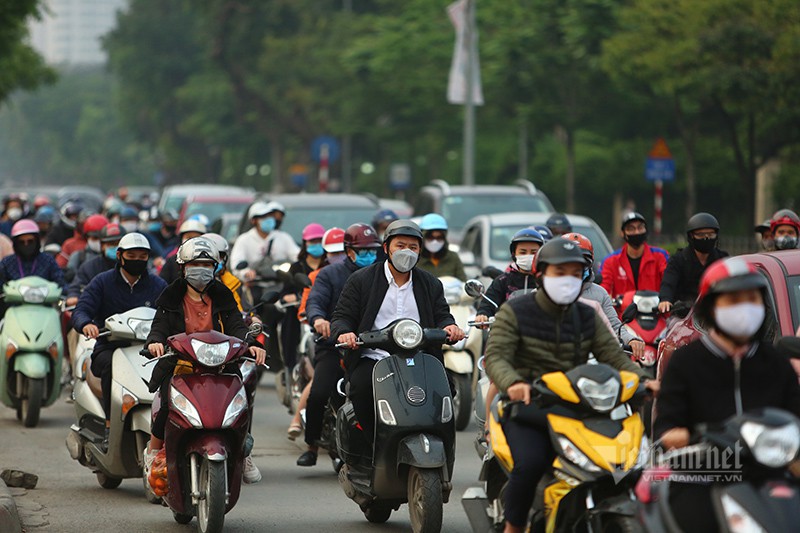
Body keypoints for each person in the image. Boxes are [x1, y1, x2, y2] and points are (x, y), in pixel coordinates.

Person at [483, 237, 656, 533]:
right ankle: (514, 526)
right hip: (529, 407)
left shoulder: (586, 315)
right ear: (540, 274)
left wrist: (645, 381)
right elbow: (496, 357)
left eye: (575, 273)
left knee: (624, 464)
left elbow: (614, 357)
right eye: (560, 272)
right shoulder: (516, 311)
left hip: (577, 407)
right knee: (530, 464)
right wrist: (513, 383)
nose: (568, 279)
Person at [655, 257, 800, 532]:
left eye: (751, 299)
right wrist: (698, 435)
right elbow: (666, 432)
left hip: (769, 477)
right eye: (733, 300)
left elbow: (795, 421)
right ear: (711, 307)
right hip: (703, 477)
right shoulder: (686, 362)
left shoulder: (776, 363)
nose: (744, 308)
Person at [143, 237, 266, 484]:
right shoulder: (171, 296)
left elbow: (236, 325)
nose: (202, 269)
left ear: (216, 267)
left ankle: (243, 451)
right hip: (181, 365)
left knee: (239, 403)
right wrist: (155, 342)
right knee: (166, 403)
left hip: (221, 365)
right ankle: (154, 452)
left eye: (207, 265)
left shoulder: (223, 295)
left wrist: (252, 344)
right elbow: (159, 327)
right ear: (183, 267)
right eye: (195, 264)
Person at [332, 220, 465, 441]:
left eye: (413, 247)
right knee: (362, 390)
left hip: (420, 358)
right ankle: (372, 445)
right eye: (400, 246)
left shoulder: (431, 283)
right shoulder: (361, 280)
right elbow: (342, 317)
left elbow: (442, 315)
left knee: (444, 391)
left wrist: (450, 327)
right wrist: (345, 332)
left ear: (420, 251)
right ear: (386, 248)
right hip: (374, 358)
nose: (407, 252)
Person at [70, 232, 166, 449]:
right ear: (120, 256)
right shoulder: (102, 282)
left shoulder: (158, 285)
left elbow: (172, 313)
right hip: (110, 347)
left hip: (149, 348)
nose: (137, 260)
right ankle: (109, 425)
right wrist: (86, 324)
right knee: (112, 368)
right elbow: (82, 309)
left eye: (142, 256)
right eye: (131, 256)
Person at [296, 223, 381, 466]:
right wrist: (319, 319)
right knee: (319, 392)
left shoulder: (384, 275)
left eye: (373, 250)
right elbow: (315, 301)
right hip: (334, 345)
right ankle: (312, 445)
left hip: (372, 347)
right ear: (349, 251)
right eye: (363, 251)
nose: (369, 255)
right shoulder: (329, 274)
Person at [562, 232, 645, 359]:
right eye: (568, 263)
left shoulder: (598, 296)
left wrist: (630, 340)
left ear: (589, 264)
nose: (574, 269)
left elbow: (613, 327)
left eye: (580, 264)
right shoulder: (541, 294)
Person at [278, 223, 327, 378]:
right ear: (305, 243)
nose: (316, 245)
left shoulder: (329, 265)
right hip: (300, 309)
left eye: (319, 241)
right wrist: (292, 297)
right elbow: (286, 292)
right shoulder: (296, 267)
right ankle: (290, 365)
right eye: (312, 241)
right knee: (289, 322)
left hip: (324, 309)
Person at [658, 213, 728, 314]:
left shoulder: (723, 260)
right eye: (701, 235)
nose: (706, 238)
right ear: (691, 236)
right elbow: (668, 283)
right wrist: (665, 299)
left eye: (711, 234)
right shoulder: (678, 260)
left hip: (715, 313)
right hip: (683, 315)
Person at [475, 228, 543, 323]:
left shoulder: (545, 281)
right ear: (514, 254)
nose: (528, 256)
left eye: (533, 252)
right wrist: (482, 315)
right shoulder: (502, 280)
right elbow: (488, 304)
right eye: (523, 252)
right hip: (506, 328)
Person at [598, 212, 669, 303]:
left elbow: (669, 282)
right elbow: (603, 289)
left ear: (646, 230)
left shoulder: (660, 256)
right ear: (622, 233)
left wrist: (666, 299)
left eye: (640, 227)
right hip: (622, 311)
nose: (636, 232)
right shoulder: (611, 261)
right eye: (631, 229)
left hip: (655, 309)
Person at [230, 201, 300, 281]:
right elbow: (236, 262)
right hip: (254, 282)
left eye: (270, 216)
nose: (268, 219)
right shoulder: (244, 239)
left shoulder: (283, 237)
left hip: (279, 281)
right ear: (253, 220)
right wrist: (246, 272)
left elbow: (297, 255)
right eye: (263, 217)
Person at [0, 220, 64, 287]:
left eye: (30, 241)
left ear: (37, 241)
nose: (26, 244)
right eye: (21, 242)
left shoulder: (48, 260)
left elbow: (60, 283)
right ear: (15, 244)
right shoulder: (7, 262)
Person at [416, 213, 467, 281]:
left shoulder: (453, 258)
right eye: (430, 237)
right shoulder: (415, 259)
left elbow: (463, 282)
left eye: (439, 238)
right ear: (423, 237)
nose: (435, 241)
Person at [203, 232, 244, 311]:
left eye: (220, 256)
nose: (216, 260)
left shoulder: (233, 282)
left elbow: (246, 310)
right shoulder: (190, 285)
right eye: (211, 256)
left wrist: (253, 317)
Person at [159, 218, 208, 284]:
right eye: (188, 237)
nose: (192, 240)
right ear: (181, 239)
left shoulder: (208, 260)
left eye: (196, 237)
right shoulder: (172, 261)